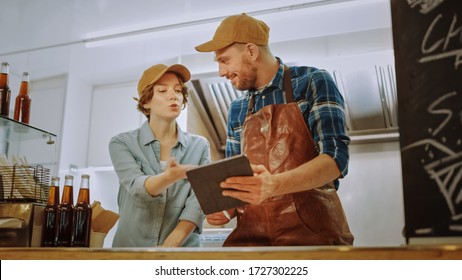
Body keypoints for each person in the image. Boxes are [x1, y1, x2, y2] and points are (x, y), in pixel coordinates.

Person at [195, 13, 354, 246]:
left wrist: (273, 185)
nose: (220, 72)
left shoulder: (313, 81)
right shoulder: (237, 109)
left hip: (314, 240)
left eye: (224, 60)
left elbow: (335, 159)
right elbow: (237, 179)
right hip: (252, 242)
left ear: (251, 51)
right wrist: (227, 209)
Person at [109, 63, 210, 247]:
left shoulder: (199, 146)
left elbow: (198, 201)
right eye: (162, 90)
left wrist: (171, 245)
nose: (174, 96)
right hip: (131, 254)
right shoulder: (122, 143)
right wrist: (169, 177)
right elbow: (137, 187)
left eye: (178, 91)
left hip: (182, 254)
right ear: (146, 101)